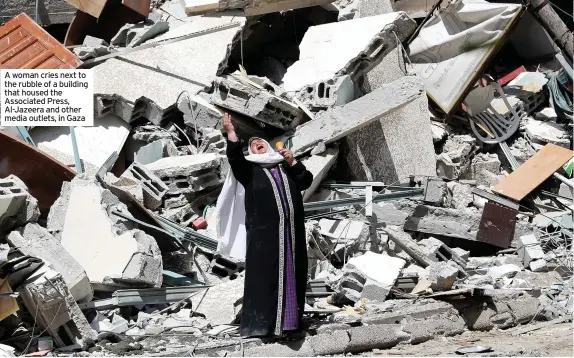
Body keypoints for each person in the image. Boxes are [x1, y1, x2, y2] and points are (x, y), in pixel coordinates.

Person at [215, 112, 314, 338]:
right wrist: (231, 133)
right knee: (266, 280)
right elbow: (235, 160)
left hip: (291, 235)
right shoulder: (250, 171)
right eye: (253, 146)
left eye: (260, 143)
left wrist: (292, 161)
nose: (257, 145)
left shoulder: (284, 166)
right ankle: (263, 326)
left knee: (291, 275)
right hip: (264, 238)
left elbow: (305, 181)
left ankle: (289, 324)